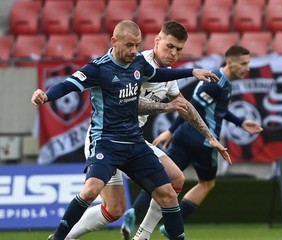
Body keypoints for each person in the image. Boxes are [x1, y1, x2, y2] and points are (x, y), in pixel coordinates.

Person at [31, 20, 219, 240]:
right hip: (105, 141)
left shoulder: (139, 63)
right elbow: (69, 84)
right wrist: (46, 95)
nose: (133, 51)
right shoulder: (99, 68)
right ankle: (61, 237)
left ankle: (143, 236)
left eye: (137, 45)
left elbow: (160, 77)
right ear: (115, 41)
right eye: (129, 45)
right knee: (101, 199)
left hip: (133, 141)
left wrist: (192, 73)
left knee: (170, 188)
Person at [150, 45, 264, 238]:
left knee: (164, 178)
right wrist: (170, 130)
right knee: (207, 183)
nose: (248, 68)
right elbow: (192, 106)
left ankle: (133, 213)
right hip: (204, 141)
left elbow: (218, 109)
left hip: (184, 135)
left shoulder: (221, 80)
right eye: (244, 63)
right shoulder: (217, 82)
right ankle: (172, 226)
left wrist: (240, 122)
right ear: (230, 62)